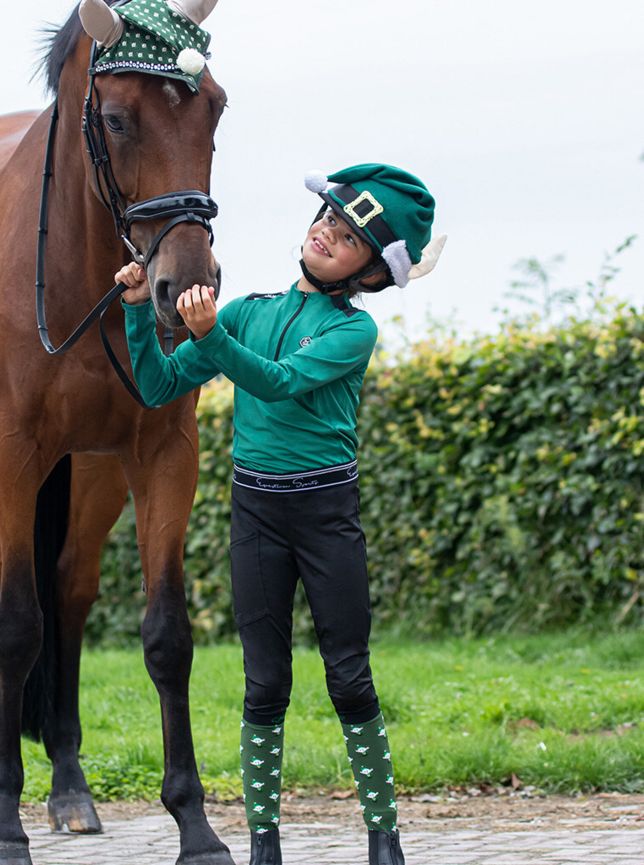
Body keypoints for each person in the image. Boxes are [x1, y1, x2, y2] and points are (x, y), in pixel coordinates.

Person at [116, 163, 446, 865]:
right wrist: (136, 309)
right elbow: (155, 386)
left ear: (369, 274)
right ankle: (264, 847)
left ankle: (383, 839)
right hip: (256, 515)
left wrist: (209, 339)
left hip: (326, 516)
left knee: (348, 677)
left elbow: (280, 382)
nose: (329, 233)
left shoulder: (351, 333)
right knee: (264, 683)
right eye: (328, 218)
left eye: (350, 236)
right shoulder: (247, 312)